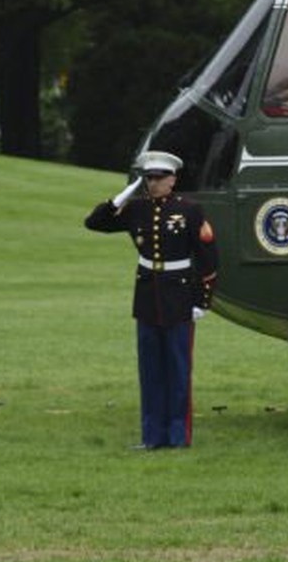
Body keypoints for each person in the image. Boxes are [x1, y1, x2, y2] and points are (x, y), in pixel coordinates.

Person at [84, 150, 219, 449]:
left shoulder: (189, 210)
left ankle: (177, 436)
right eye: (148, 178)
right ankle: (152, 437)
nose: (153, 183)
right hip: (147, 296)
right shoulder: (136, 209)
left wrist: (202, 301)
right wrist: (121, 197)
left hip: (179, 296)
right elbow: (94, 223)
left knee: (178, 369)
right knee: (151, 371)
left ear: (172, 179)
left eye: (159, 178)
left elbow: (208, 257)